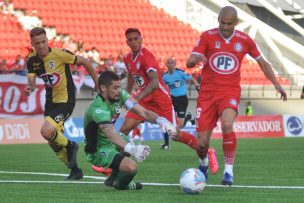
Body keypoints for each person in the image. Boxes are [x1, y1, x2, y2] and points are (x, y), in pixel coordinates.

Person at [186, 6, 287, 186]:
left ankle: (228, 171)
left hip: (229, 91)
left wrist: (277, 85)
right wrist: (193, 60)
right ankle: (204, 163)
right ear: (218, 19)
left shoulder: (245, 40)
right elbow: (190, 60)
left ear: (236, 23)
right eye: (222, 23)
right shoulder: (207, 36)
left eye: (229, 24)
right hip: (207, 94)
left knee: (227, 125)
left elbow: (263, 63)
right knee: (201, 144)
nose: (224, 27)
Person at [120, 28, 210, 165]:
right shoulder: (127, 58)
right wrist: (126, 94)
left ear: (141, 39)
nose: (134, 42)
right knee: (124, 129)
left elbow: (155, 83)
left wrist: (137, 97)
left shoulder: (147, 56)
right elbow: (131, 75)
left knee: (175, 134)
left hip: (160, 100)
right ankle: (116, 166)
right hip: (144, 100)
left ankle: (206, 151)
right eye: (130, 40)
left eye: (136, 39)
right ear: (127, 42)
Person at [24, 27, 99, 180]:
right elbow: (31, 81)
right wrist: (30, 87)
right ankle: (75, 170)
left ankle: (71, 145)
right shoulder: (32, 60)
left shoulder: (60, 54)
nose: (41, 46)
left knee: (46, 131)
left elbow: (84, 61)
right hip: (51, 103)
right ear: (32, 44)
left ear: (47, 40)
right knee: (53, 142)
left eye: (43, 42)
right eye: (37, 43)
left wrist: (97, 82)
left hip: (66, 101)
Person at [83, 71, 176, 190]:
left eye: (119, 87)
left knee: (126, 140)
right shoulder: (98, 108)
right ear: (103, 88)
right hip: (98, 150)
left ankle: (112, 179)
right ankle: (121, 185)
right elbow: (110, 133)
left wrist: (161, 121)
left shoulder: (120, 95)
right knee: (132, 167)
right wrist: (132, 149)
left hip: (109, 142)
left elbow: (143, 112)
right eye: (115, 88)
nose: (119, 91)